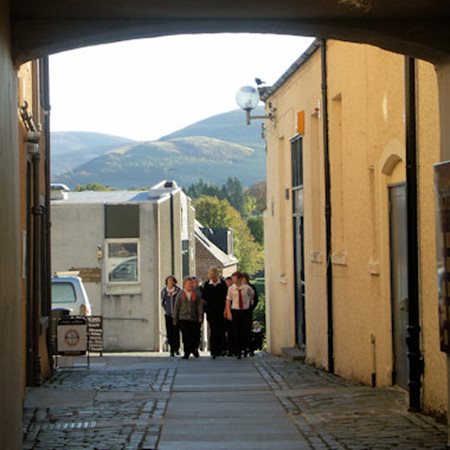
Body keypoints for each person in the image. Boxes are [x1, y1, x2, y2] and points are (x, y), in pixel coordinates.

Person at [225, 271, 254, 359]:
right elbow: (228, 300)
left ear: (240, 279)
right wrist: (228, 312)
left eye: (235, 279)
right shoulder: (231, 289)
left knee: (244, 330)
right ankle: (238, 351)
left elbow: (252, 296)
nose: (233, 280)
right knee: (236, 331)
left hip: (245, 311)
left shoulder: (247, 288)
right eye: (232, 279)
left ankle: (244, 348)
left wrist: (249, 304)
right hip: (235, 311)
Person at [173, 277, 204, 359]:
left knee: (195, 335)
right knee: (186, 336)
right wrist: (175, 319)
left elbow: (199, 306)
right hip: (183, 318)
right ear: (184, 284)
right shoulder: (180, 294)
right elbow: (177, 307)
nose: (191, 285)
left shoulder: (196, 294)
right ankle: (187, 351)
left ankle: (194, 349)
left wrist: (200, 316)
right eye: (189, 284)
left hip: (193, 318)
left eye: (191, 284)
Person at [202, 267, 228, 359]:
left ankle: (221, 349)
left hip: (221, 311)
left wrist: (226, 310)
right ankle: (213, 350)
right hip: (211, 312)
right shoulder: (206, 285)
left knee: (221, 330)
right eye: (211, 277)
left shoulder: (223, 284)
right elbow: (204, 299)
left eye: (214, 277)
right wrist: (206, 310)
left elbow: (226, 298)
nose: (213, 279)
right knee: (213, 330)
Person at [161, 275, 181, 357]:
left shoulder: (178, 291)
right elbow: (162, 302)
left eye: (172, 281)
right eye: (169, 281)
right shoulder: (164, 291)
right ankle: (171, 349)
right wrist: (167, 309)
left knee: (176, 332)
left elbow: (180, 301)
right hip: (168, 315)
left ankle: (177, 348)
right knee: (169, 332)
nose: (170, 282)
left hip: (177, 315)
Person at [242, 272, 259, 356]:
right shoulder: (238, 288)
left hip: (248, 311)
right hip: (239, 312)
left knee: (248, 330)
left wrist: (251, 307)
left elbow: (256, 300)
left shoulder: (251, 288)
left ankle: (250, 348)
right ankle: (242, 348)